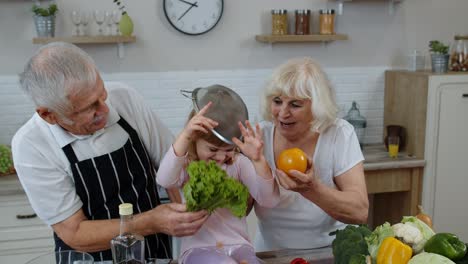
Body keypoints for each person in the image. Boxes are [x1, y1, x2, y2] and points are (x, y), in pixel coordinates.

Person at [11, 42, 208, 262]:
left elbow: (175, 167)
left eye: (102, 94)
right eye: (89, 108)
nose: (104, 109)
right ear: (49, 115)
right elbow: (74, 232)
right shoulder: (31, 145)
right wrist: (151, 222)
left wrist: (188, 211)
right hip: (88, 258)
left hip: (153, 253)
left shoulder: (125, 98)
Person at [252, 57, 369, 251]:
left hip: (330, 252)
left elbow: (359, 211)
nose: (282, 113)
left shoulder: (339, 133)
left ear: (317, 107)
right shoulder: (259, 138)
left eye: (295, 104)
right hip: (271, 254)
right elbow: (240, 208)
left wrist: (311, 189)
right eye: (277, 101)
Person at [156, 85, 280, 264]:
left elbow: (270, 200)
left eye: (228, 149)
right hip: (197, 250)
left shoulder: (238, 164)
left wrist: (259, 160)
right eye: (213, 149)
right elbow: (164, 179)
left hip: (240, 246)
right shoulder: (187, 165)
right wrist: (185, 136)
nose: (221, 157)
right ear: (195, 139)